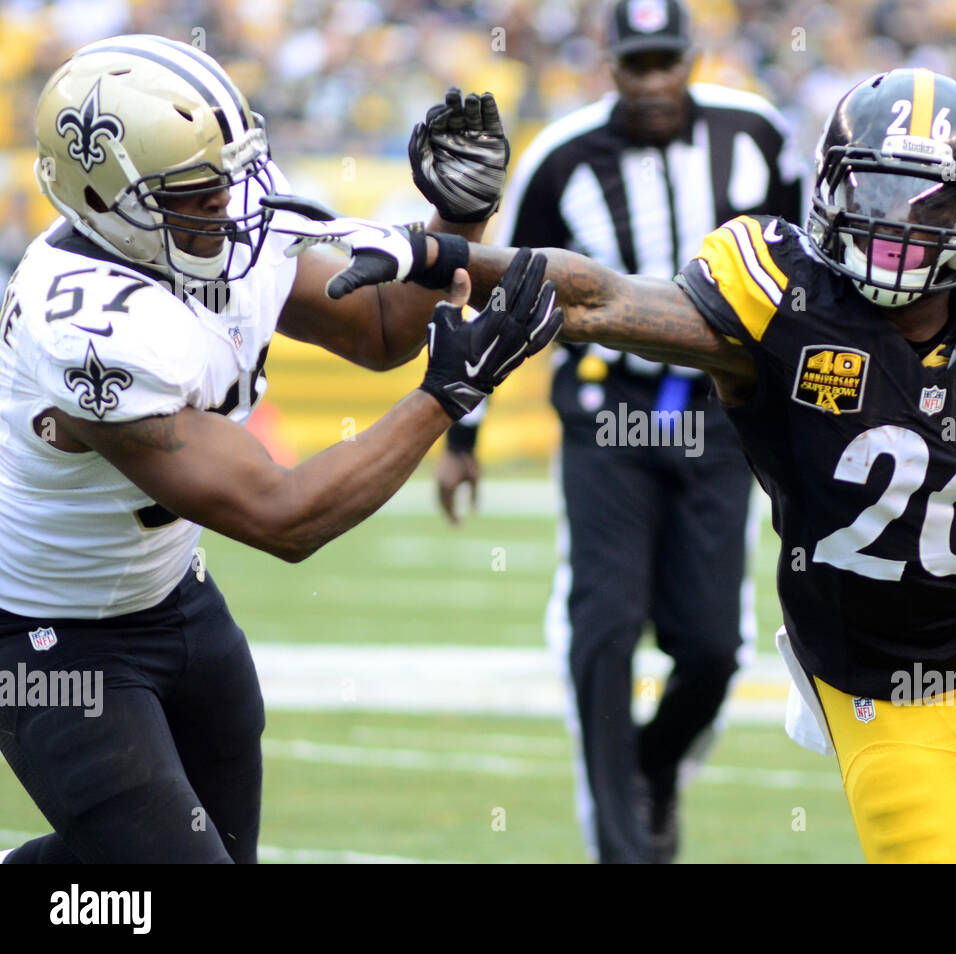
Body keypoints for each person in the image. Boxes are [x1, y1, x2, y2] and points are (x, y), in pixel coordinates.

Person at [293, 67, 956, 862]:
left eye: (926, 202)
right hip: (890, 706)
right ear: (828, 187)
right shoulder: (778, 309)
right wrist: (438, 255)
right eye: (874, 189)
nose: (896, 225)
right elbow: (595, 296)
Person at [0, 34, 559, 864]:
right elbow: (282, 518)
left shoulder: (208, 215)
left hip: (176, 600)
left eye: (227, 175)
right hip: (49, 636)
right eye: (194, 191)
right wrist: (449, 395)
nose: (227, 205)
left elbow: (375, 330)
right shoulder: (84, 325)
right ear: (105, 198)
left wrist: (460, 216)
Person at [432, 0, 804, 863]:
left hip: (719, 415)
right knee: (604, 626)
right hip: (606, 418)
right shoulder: (563, 158)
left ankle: (654, 767)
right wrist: (462, 437)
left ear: (690, 57)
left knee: (712, 646)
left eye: (666, 63)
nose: (654, 82)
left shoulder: (756, 135)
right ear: (611, 66)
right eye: (637, 67)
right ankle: (624, 848)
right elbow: (497, 295)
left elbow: (804, 267)